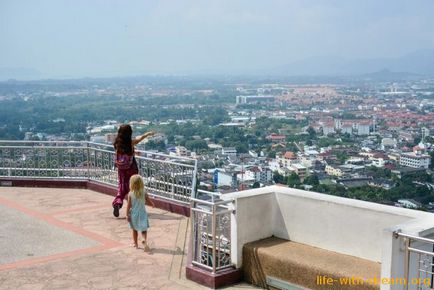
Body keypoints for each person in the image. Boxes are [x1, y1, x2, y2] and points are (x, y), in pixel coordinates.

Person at [112, 124, 155, 217]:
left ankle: (117, 203)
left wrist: (134, 152)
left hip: (121, 169)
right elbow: (140, 139)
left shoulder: (117, 144)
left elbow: (122, 153)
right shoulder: (130, 143)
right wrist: (147, 134)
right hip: (131, 169)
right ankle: (134, 207)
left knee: (122, 187)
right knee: (134, 188)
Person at [126, 174, 155, 251]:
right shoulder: (144, 192)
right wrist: (152, 204)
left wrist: (126, 215)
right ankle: (143, 239)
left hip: (134, 214)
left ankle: (135, 244)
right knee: (144, 229)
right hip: (143, 214)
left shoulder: (130, 194)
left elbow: (128, 206)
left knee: (134, 230)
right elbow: (148, 200)